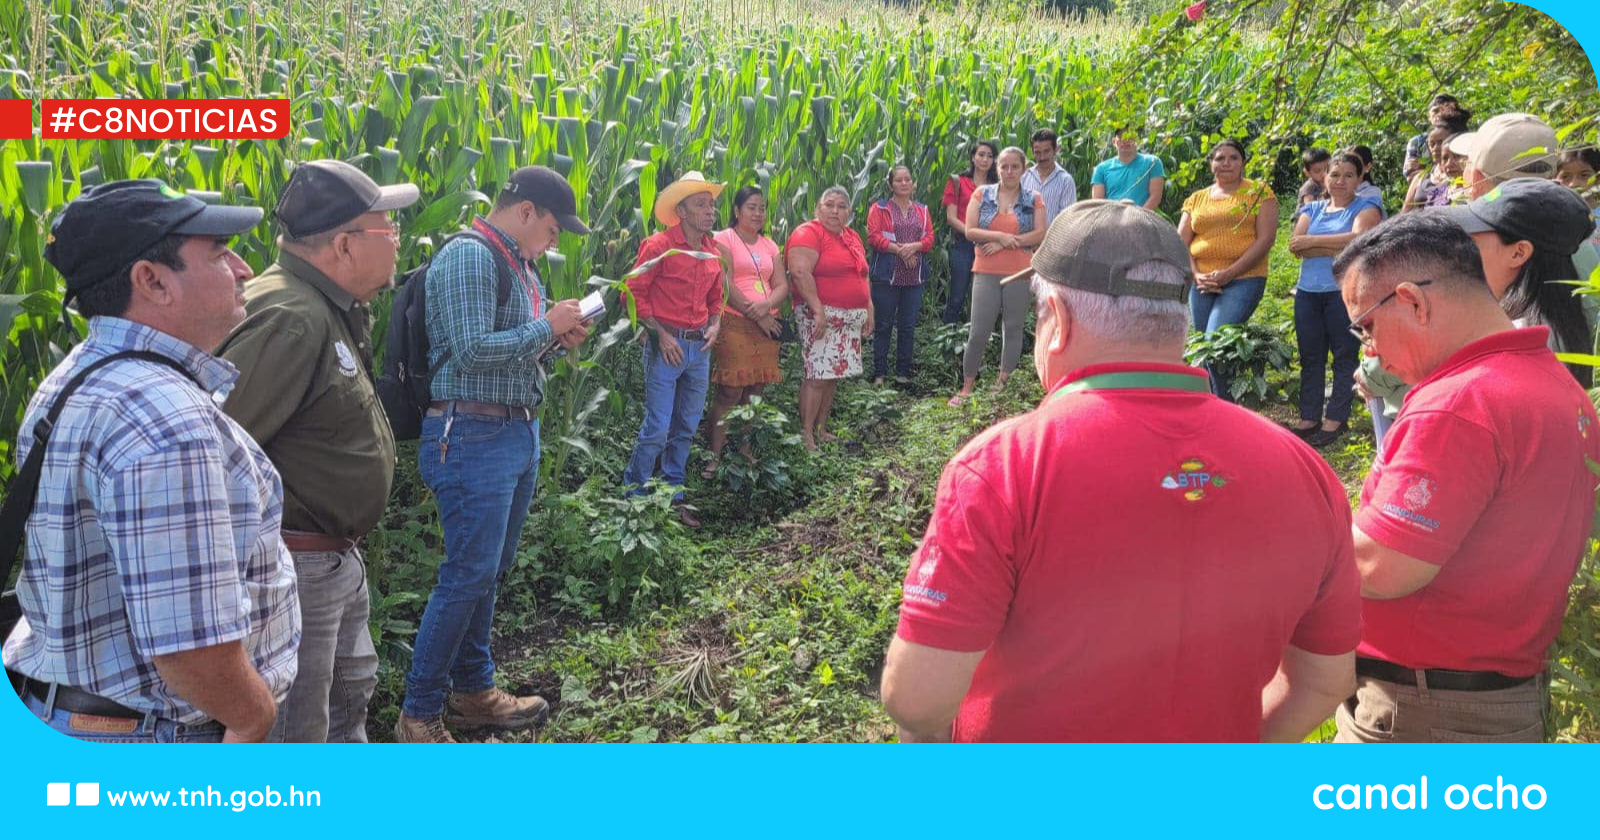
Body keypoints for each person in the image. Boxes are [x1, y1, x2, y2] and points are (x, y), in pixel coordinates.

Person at [881, 201, 1361, 742]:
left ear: (1056, 320)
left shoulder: (1004, 466)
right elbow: (1325, 681)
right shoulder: (1304, 468)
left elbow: (918, 702)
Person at [4, 180, 299, 742]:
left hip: (78, 714)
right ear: (152, 280)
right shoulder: (165, 420)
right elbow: (191, 649)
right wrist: (252, 717)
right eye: (218, 253)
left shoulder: (81, 374)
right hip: (149, 737)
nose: (243, 268)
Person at [1333, 213, 1600, 743]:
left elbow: (1381, 567)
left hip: (1422, 713)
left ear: (1413, 301)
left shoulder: (1457, 405)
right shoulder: (1553, 382)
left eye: (1366, 326)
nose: (1370, 350)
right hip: (1498, 696)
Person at [213, 161, 416, 742]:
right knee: (299, 738)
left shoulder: (317, 304)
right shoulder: (292, 318)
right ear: (346, 246)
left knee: (343, 710)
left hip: (331, 560)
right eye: (389, 231)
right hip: (296, 569)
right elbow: (219, 452)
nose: (400, 241)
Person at [397, 165, 591, 743]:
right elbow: (471, 350)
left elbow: (512, 358)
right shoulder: (470, 256)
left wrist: (554, 339)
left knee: (488, 572)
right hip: (472, 436)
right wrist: (545, 327)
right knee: (467, 575)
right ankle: (418, 712)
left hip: (511, 432)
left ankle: (474, 690)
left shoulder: (520, 266)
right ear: (525, 211)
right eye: (554, 229)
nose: (555, 242)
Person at [623, 172, 725, 525]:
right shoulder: (659, 245)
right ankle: (633, 497)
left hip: (699, 348)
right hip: (666, 346)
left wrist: (715, 324)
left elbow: (717, 297)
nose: (710, 211)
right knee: (657, 427)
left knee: (686, 425)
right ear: (681, 211)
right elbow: (632, 294)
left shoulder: (712, 250)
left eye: (711, 204)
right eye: (701, 204)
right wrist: (660, 336)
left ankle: (673, 495)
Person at [1441, 178, 1596, 387]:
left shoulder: (1520, 341)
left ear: (1518, 252)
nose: (1459, 250)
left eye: (1472, 241)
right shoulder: (1561, 322)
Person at [1287, 152, 1383, 448]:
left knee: (1344, 357)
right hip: (1308, 293)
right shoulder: (1312, 208)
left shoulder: (1367, 206)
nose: (1340, 181)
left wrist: (1313, 242)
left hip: (1345, 293)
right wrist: (1338, 244)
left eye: (1348, 175)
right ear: (1323, 178)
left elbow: (1358, 240)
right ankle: (1309, 417)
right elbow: (1295, 245)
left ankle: (1336, 419)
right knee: (1311, 356)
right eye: (1334, 175)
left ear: (1360, 178)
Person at [1178, 139, 1279, 401]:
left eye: (1233, 157)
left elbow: (1265, 240)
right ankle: (1208, 404)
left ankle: (1224, 407)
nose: (1226, 163)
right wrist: (1196, 275)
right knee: (1202, 348)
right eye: (1220, 158)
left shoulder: (1259, 192)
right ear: (1211, 163)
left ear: (1243, 163)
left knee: (1216, 342)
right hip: (1202, 282)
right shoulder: (1196, 199)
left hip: (1243, 279)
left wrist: (1229, 273)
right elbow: (1181, 241)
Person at [703, 185, 789, 479]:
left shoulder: (770, 245)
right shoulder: (722, 239)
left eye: (762, 208)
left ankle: (745, 451)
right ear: (737, 211)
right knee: (730, 390)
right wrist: (755, 314)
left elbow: (782, 286)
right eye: (751, 207)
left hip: (768, 324)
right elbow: (724, 283)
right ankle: (713, 456)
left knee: (755, 389)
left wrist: (765, 308)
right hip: (734, 321)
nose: (758, 213)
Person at [950, 147, 1047, 406]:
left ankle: (1001, 385)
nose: (1009, 171)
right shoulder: (982, 194)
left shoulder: (1033, 198)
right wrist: (999, 237)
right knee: (979, 330)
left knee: (1012, 329)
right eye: (1004, 166)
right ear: (997, 168)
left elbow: (1039, 235)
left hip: (1019, 272)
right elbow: (971, 231)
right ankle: (967, 386)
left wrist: (1005, 243)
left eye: (1015, 166)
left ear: (1024, 169)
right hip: (985, 271)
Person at [787, 186, 872, 450]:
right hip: (821, 316)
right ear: (818, 208)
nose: (835, 211)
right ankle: (807, 433)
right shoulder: (809, 232)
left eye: (842, 206)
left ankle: (822, 429)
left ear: (849, 211)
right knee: (817, 375)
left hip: (848, 319)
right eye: (829, 205)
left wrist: (869, 308)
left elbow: (862, 274)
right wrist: (818, 309)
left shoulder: (852, 236)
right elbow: (800, 272)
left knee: (833, 374)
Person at [866, 165, 935, 384]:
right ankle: (879, 373)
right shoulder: (879, 208)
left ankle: (903, 374)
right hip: (887, 277)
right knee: (884, 325)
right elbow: (874, 237)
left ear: (913, 184)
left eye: (907, 180)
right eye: (898, 180)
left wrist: (913, 247)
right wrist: (901, 251)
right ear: (890, 185)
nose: (904, 183)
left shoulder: (922, 210)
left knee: (907, 326)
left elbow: (930, 238)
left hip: (914, 278)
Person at [941, 141, 998, 324]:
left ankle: (976, 340)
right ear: (973, 157)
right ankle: (948, 340)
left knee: (983, 299)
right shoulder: (958, 182)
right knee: (957, 297)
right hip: (963, 245)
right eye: (981, 154)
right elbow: (951, 217)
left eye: (989, 156)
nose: (985, 159)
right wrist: (973, 234)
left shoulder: (997, 186)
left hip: (989, 247)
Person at [1450, 112, 1558, 199]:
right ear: (1553, 178)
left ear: (1476, 180)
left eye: (1466, 163)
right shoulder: (1570, 216)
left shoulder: (1463, 224)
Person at [1090, 127, 1166, 210]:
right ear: (1114, 141)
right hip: (1111, 219)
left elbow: (1155, 197)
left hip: (1144, 218)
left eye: (1130, 136)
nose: (1125, 140)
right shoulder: (1101, 169)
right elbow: (1097, 203)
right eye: (1121, 136)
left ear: (1137, 140)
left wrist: (1137, 218)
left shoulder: (1152, 162)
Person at [1556, 147, 1600, 283]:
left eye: (1584, 175)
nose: (1574, 183)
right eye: (1565, 176)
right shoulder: (1554, 218)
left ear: (1598, 179)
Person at [1020, 128, 1077, 226]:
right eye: (1037, 152)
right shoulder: (1024, 177)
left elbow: (1067, 217)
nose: (1042, 157)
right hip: (1025, 239)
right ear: (1032, 152)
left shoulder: (1065, 181)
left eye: (1046, 151)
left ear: (1055, 150)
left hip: (1054, 239)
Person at [1403, 94, 1466, 179]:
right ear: (1428, 116)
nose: (1439, 115)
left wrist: (1423, 168)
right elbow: (1411, 175)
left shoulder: (1464, 138)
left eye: (1443, 110)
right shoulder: (1416, 142)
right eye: (1435, 111)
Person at [1401, 127, 1461, 212]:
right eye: (1432, 144)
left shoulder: (1459, 175)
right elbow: (1405, 211)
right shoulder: (1420, 177)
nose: (1435, 148)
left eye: (1440, 142)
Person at [1345, 145, 1387, 216]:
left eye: (1355, 162)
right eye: (1346, 161)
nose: (1348, 166)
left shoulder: (1372, 193)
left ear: (1368, 166)